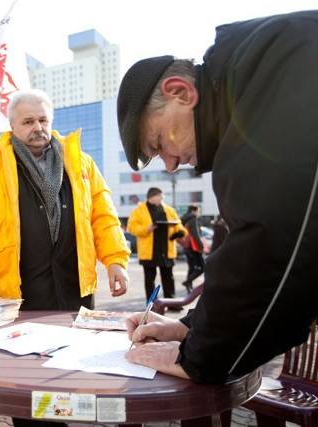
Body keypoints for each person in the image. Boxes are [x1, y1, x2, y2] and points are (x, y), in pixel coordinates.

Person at [117, 10, 318, 384]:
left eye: (160, 143)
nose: (172, 166)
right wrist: (189, 327)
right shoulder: (261, 69)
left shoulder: (263, 90)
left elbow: (273, 246)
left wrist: (197, 357)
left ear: (181, 92)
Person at [0, 88, 130, 427]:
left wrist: (115, 260)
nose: (37, 127)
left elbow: (102, 213)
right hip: (22, 291)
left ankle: (67, 419)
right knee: (25, 377)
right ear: (12, 126)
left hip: (74, 286)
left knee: (70, 371)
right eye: (28, 121)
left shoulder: (79, 161)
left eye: (43, 120)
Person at [127, 187, 187, 301]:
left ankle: (171, 301)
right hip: (149, 251)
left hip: (166, 249)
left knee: (168, 277)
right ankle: (151, 303)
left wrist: (180, 232)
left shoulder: (169, 210)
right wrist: (147, 228)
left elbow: (178, 224)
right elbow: (131, 227)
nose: (162, 198)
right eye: (160, 195)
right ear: (152, 197)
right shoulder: (139, 210)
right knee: (150, 279)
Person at [180, 205, 205, 293]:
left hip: (187, 247)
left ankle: (188, 285)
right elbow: (195, 234)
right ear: (193, 211)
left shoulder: (184, 218)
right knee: (202, 267)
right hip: (193, 246)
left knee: (192, 267)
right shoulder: (192, 219)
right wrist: (201, 246)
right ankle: (187, 282)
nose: (199, 213)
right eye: (198, 211)